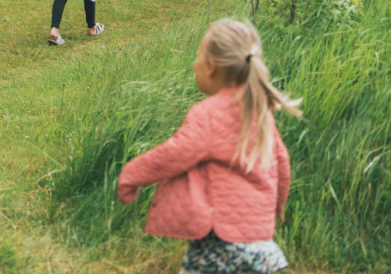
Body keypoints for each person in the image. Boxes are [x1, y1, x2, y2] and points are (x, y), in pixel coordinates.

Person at [118, 19, 301, 274]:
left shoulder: (208, 114)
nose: (195, 64)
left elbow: (173, 155)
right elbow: (282, 163)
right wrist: (277, 208)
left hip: (220, 243)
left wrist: (130, 176)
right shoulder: (260, 113)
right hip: (260, 242)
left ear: (211, 66)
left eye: (198, 57)